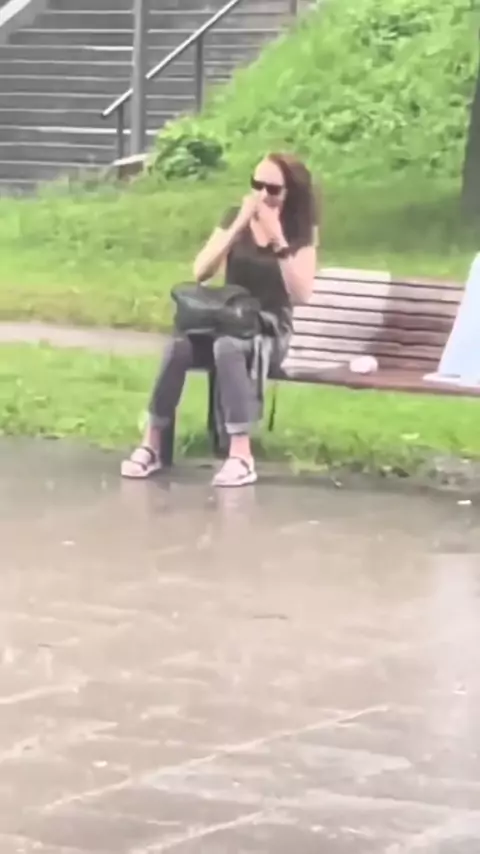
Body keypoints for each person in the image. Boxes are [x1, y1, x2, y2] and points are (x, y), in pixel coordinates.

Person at [121, 152, 319, 487]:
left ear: (291, 193)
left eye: (273, 189)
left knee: (228, 347)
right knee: (180, 346)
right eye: (256, 185)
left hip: (269, 328)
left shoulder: (299, 231)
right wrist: (239, 225)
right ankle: (152, 443)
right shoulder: (235, 217)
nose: (263, 195)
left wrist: (278, 240)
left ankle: (241, 455)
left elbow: (301, 294)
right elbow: (201, 271)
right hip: (228, 317)